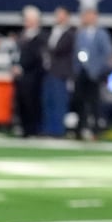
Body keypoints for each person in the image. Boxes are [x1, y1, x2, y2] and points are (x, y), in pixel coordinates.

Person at [71, 7, 112, 140]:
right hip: (81, 72)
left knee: (94, 102)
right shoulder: (80, 33)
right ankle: (80, 129)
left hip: (94, 73)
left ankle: (95, 130)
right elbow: (75, 52)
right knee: (79, 101)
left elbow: (107, 53)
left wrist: (99, 69)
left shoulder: (102, 34)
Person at [13, 6, 47, 138]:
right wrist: (14, 65)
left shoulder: (41, 37)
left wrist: (22, 67)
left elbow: (37, 57)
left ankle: (34, 129)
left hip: (33, 76)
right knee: (21, 103)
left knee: (32, 103)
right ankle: (24, 129)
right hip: (20, 77)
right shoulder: (22, 36)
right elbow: (16, 54)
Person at [42, 7, 74, 137]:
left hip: (60, 73)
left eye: (61, 15)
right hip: (48, 72)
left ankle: (58, 131)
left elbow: (57, 50)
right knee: (48, 101)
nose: (58, 17)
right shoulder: (51, 32)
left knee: (59, 102)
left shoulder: (70, 34)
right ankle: (48, 129)